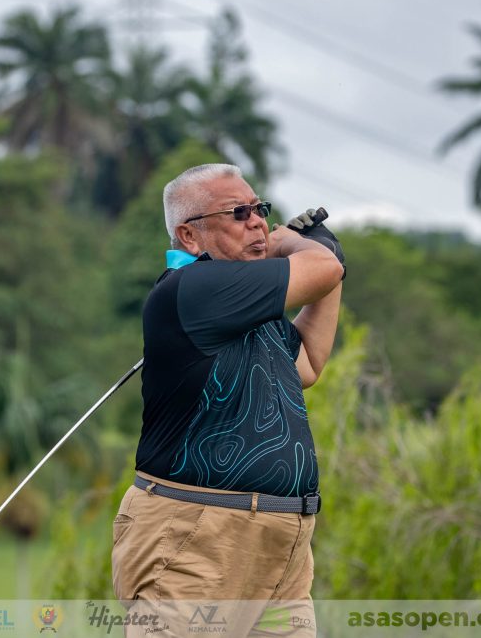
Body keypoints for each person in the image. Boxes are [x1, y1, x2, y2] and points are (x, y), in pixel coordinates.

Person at [111, 163, 344, 636]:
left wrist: (329, 263)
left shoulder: (244, 304)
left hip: (281, 547)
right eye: (239, 213)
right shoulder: (194, 287)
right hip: (197, 536)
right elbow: (320, 269)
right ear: (189, 236)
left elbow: (307, 364)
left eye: (260, 209)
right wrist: (298, 246)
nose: (257, 222)